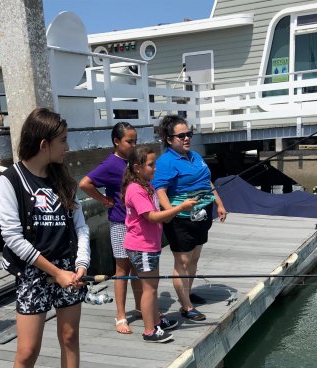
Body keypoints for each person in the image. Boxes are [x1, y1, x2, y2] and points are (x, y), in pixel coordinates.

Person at [0, 107, 96, 368]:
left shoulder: (64, 181)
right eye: (63, 141)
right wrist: (54, 271)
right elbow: (12, 236)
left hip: (70, 269)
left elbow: (81, 228)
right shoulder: (12, 180)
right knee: (27, 351)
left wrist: (82, 263)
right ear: (44, 143)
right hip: (35, 273)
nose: (67, 147)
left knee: (70, 338)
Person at [153, 115, 227, 321]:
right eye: (181, 135)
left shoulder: (195, 156)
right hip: (182, 218)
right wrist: (171, 214)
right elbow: (160, 191)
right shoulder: (166, 162)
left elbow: (207, 181)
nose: (187, 138)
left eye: (189, 134)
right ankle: (186, 306)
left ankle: (187, 293)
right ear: (169, 139)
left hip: (202, 214)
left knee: (194, 258)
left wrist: (219, 203)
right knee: (182, 262)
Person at [122, 146, 198, 342]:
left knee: (152, 286)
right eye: (151, 164)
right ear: (137, 167)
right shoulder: (136, 190)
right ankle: (149, 330)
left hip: (150, 245)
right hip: (141, 247)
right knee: (150, 289)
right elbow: (153, 217)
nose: (155, 168)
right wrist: (180, 208)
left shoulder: (147, 185)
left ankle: (156, 321)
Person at [79, 122, 142, 334]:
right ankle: (121, 315)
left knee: (138, 269)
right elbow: (85, 183)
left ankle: (141, 307)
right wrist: (104, 200)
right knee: (122, 270)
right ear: (117, 141)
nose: (133, 145)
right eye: (129, 141)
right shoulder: (111, 164)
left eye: (135, 141)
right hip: (120, 224)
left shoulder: (134, 162)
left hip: (138, 224)